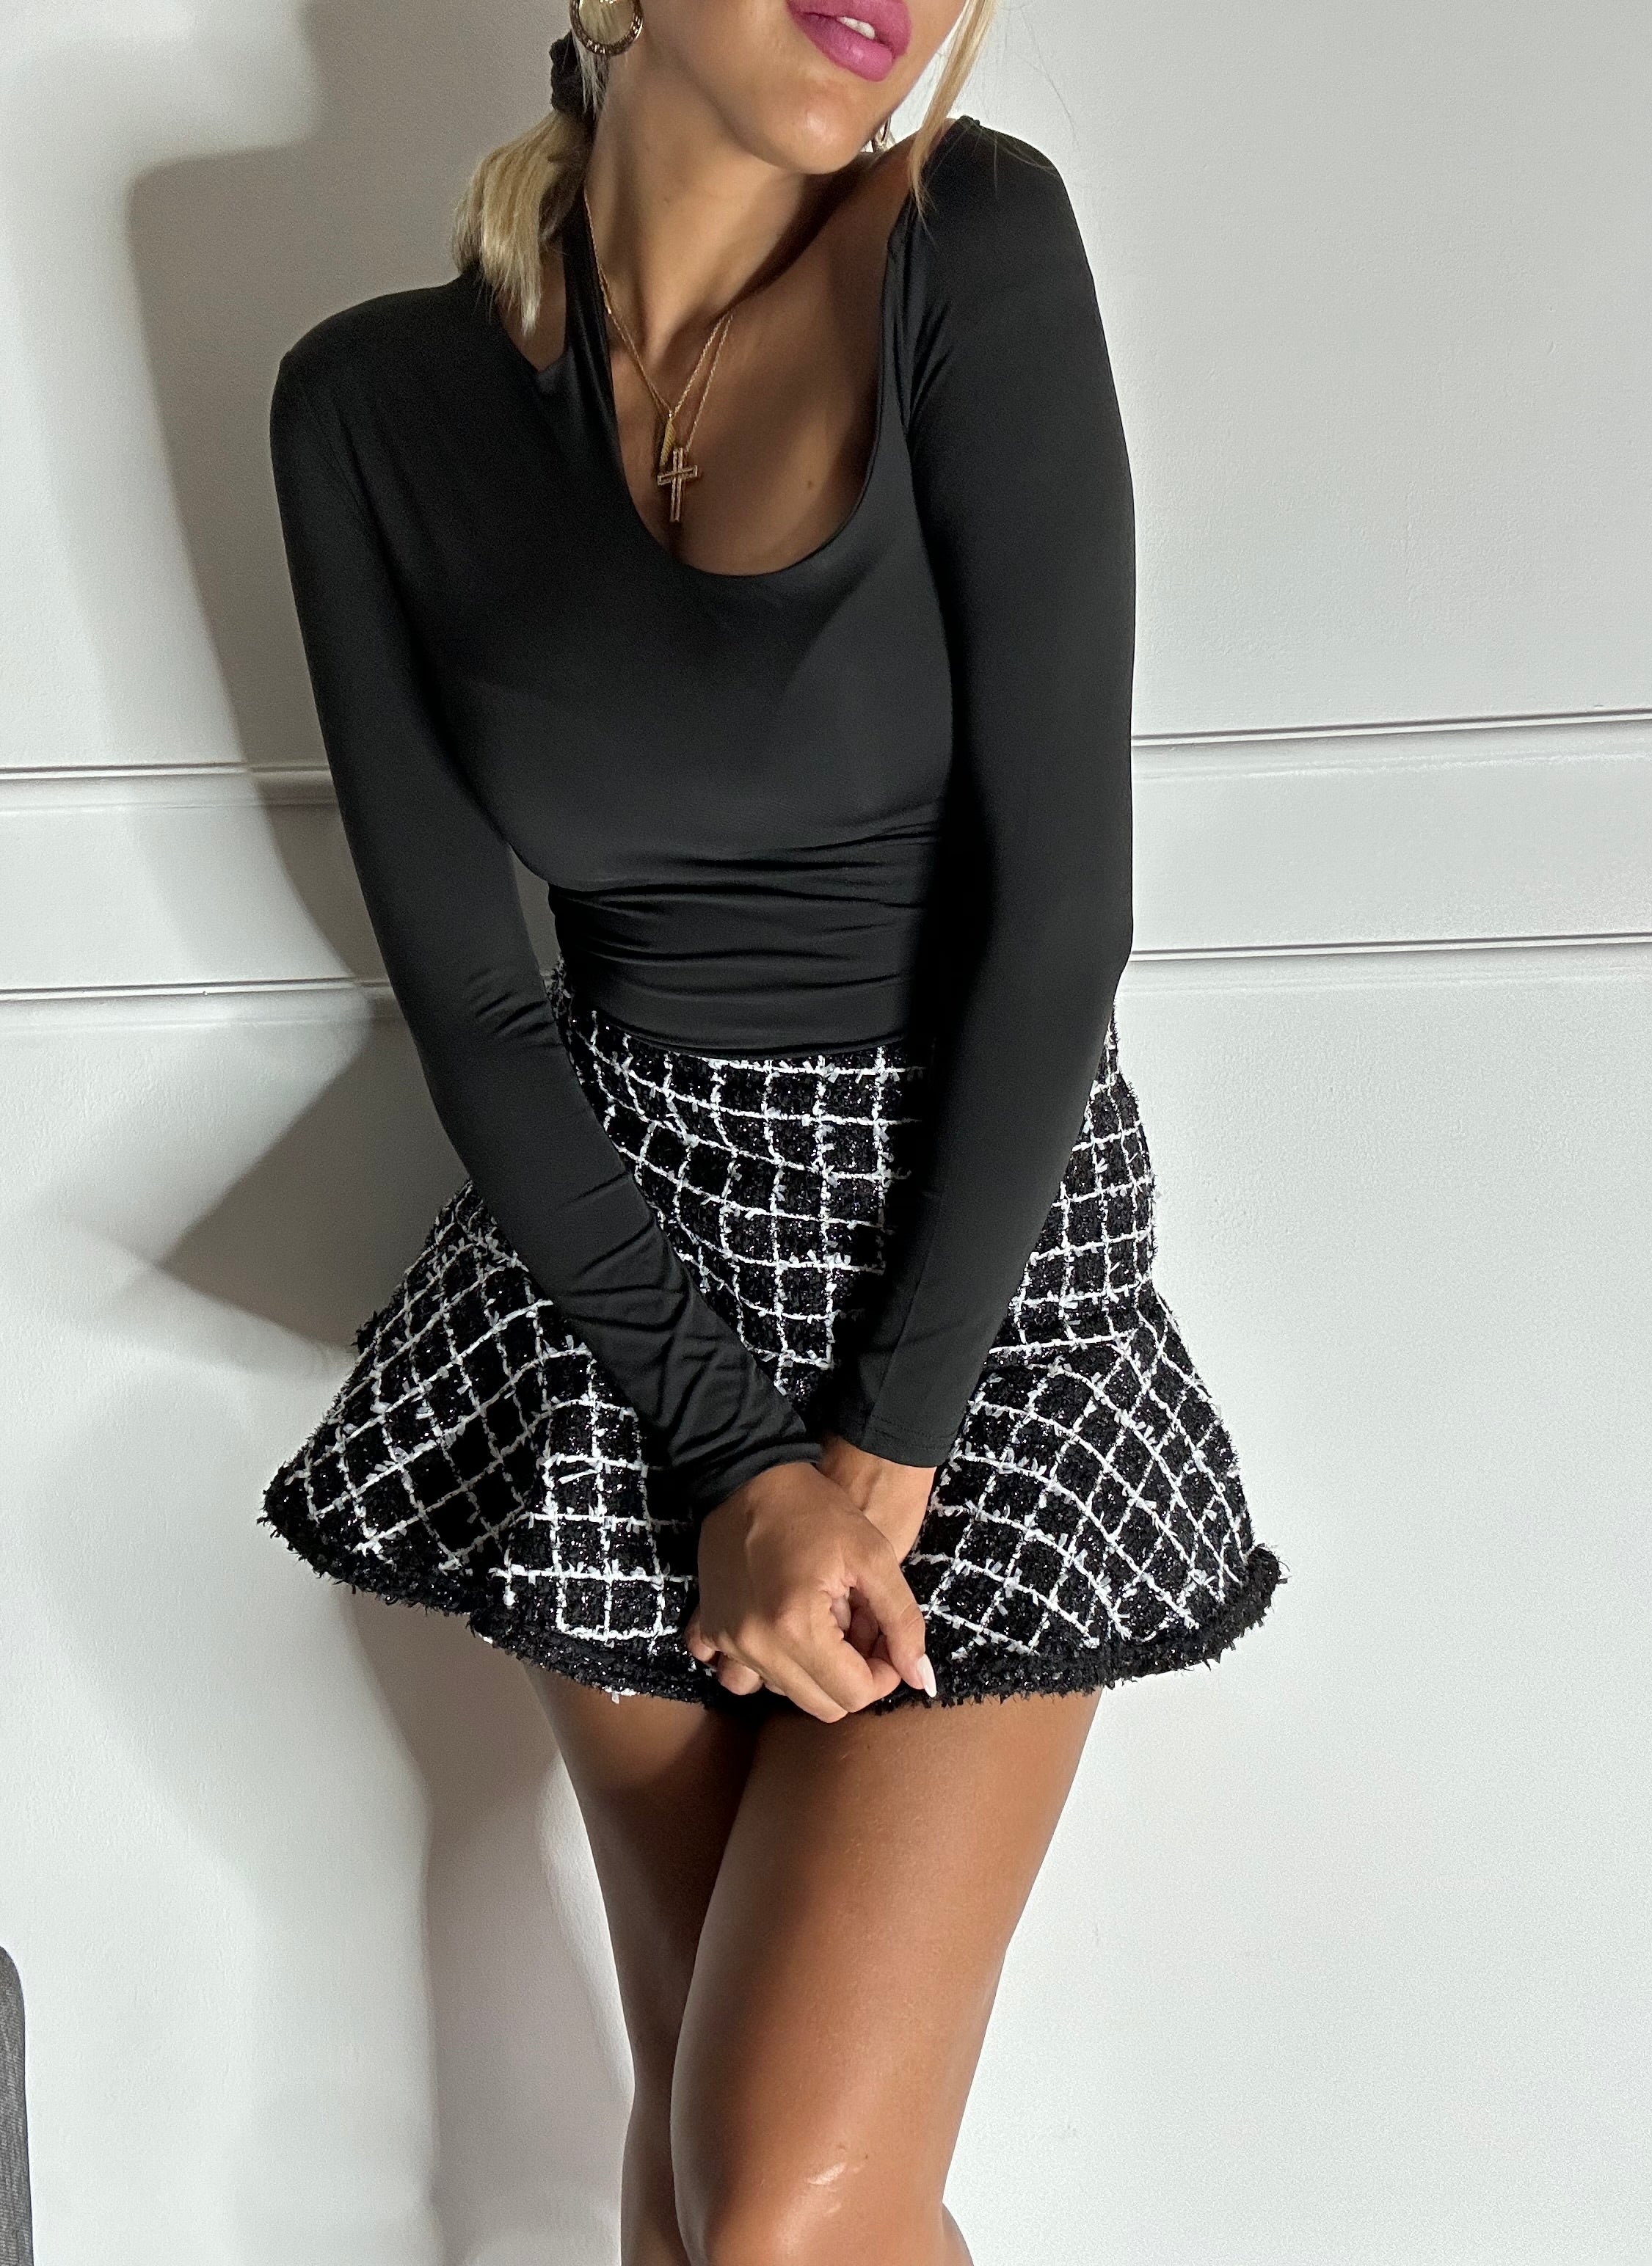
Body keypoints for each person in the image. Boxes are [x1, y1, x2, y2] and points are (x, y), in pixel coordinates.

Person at [259, 1, 1285, 2256]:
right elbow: (474, 998)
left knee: (781, 2205)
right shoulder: (368, 405)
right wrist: (728, 1458)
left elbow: (1059, 918)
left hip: (978, 1281)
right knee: (700, 2177)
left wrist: (871, 1462)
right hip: (626, 1289)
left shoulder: (966, 245)